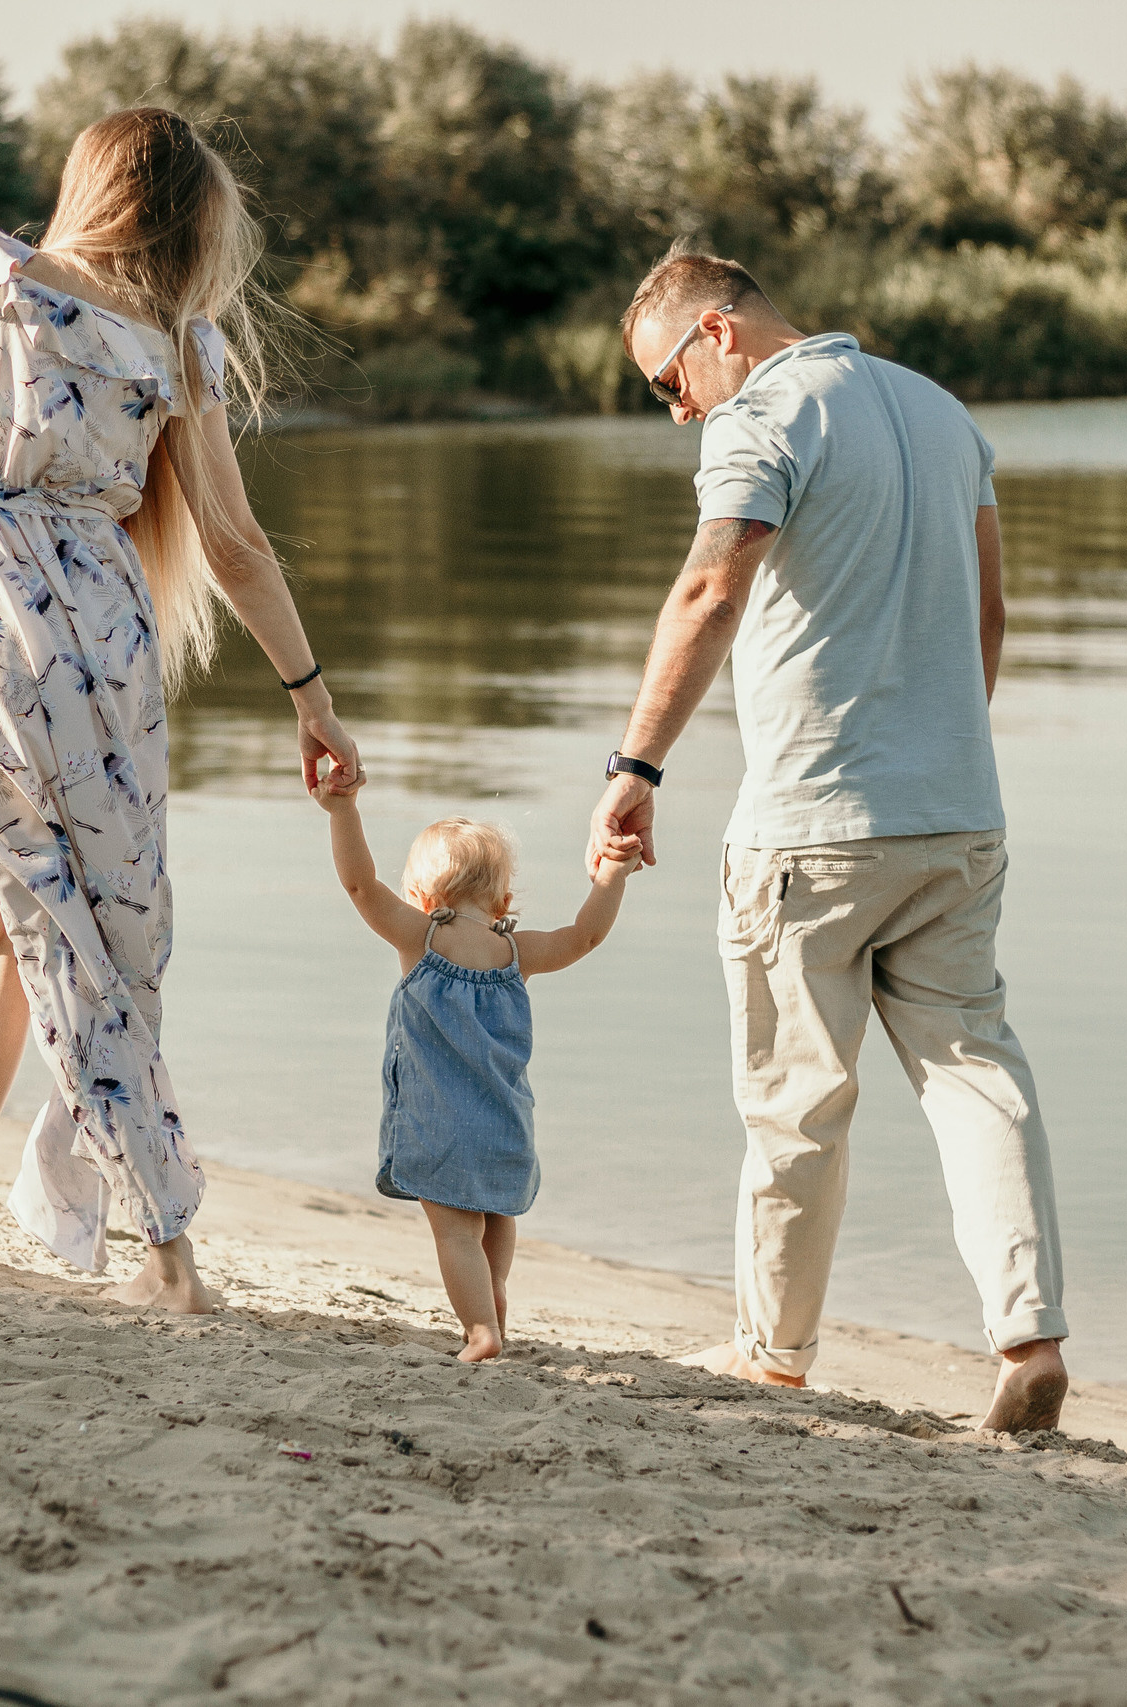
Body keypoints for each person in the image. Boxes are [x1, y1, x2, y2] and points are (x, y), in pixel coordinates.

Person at [0, 108, 360, 1313]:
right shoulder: (177, 347)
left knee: (18, 929)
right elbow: (234, 546)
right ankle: (165, 1249)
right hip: (97, 649)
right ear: (192, 221)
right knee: (97, 938)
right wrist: (313, 700)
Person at [591, 247, 1070, 1431]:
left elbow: (710, 591)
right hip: (955, 813)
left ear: (720, 331)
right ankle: (1028, 1335)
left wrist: (636, 766)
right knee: (973, 1071)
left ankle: (774, 1357)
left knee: (796, 1105)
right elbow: (988, 613)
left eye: (668, 380)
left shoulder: (758, 417)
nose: (676, 407)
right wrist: (939, 748)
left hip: (808, 827)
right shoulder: (940, 411)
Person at [316, 769, 642, 1361]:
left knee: (455, 1233)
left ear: (422, 897)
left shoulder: (420, 940)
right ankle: (493, 1301)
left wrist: (343, 811)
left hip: (440, 1128)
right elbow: (586, 934)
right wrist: (613, 873)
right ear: (504, 900)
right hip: (507, 1127)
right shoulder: (520, 955)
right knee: (496, 1221)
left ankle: (480, 1330)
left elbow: (361, 886)